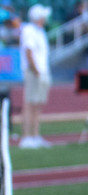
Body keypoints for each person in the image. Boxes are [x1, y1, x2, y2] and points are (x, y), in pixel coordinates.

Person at [19, 4, 51, 149]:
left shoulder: (40, 31)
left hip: (42, 71)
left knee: (37, 105)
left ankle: (35, 135)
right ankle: (26, 136)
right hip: (34, 72)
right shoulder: (28, 31)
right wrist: (36, 71)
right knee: (29, 104)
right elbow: (29, 52)